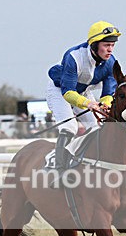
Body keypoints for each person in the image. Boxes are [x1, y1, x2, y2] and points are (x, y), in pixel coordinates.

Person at [46, 21, 121, 170]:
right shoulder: (74, 57)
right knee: (70, 127)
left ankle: (84, 160)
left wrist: (104, 104)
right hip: (60, 91)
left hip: (83, 91)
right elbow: (68, 93)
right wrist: (88, 104)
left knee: (96, 127)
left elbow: (108, 92)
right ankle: (58, 169)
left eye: (112, 45)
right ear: (94, 45)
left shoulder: (111, 63)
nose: (110, 50)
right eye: (106, 45)